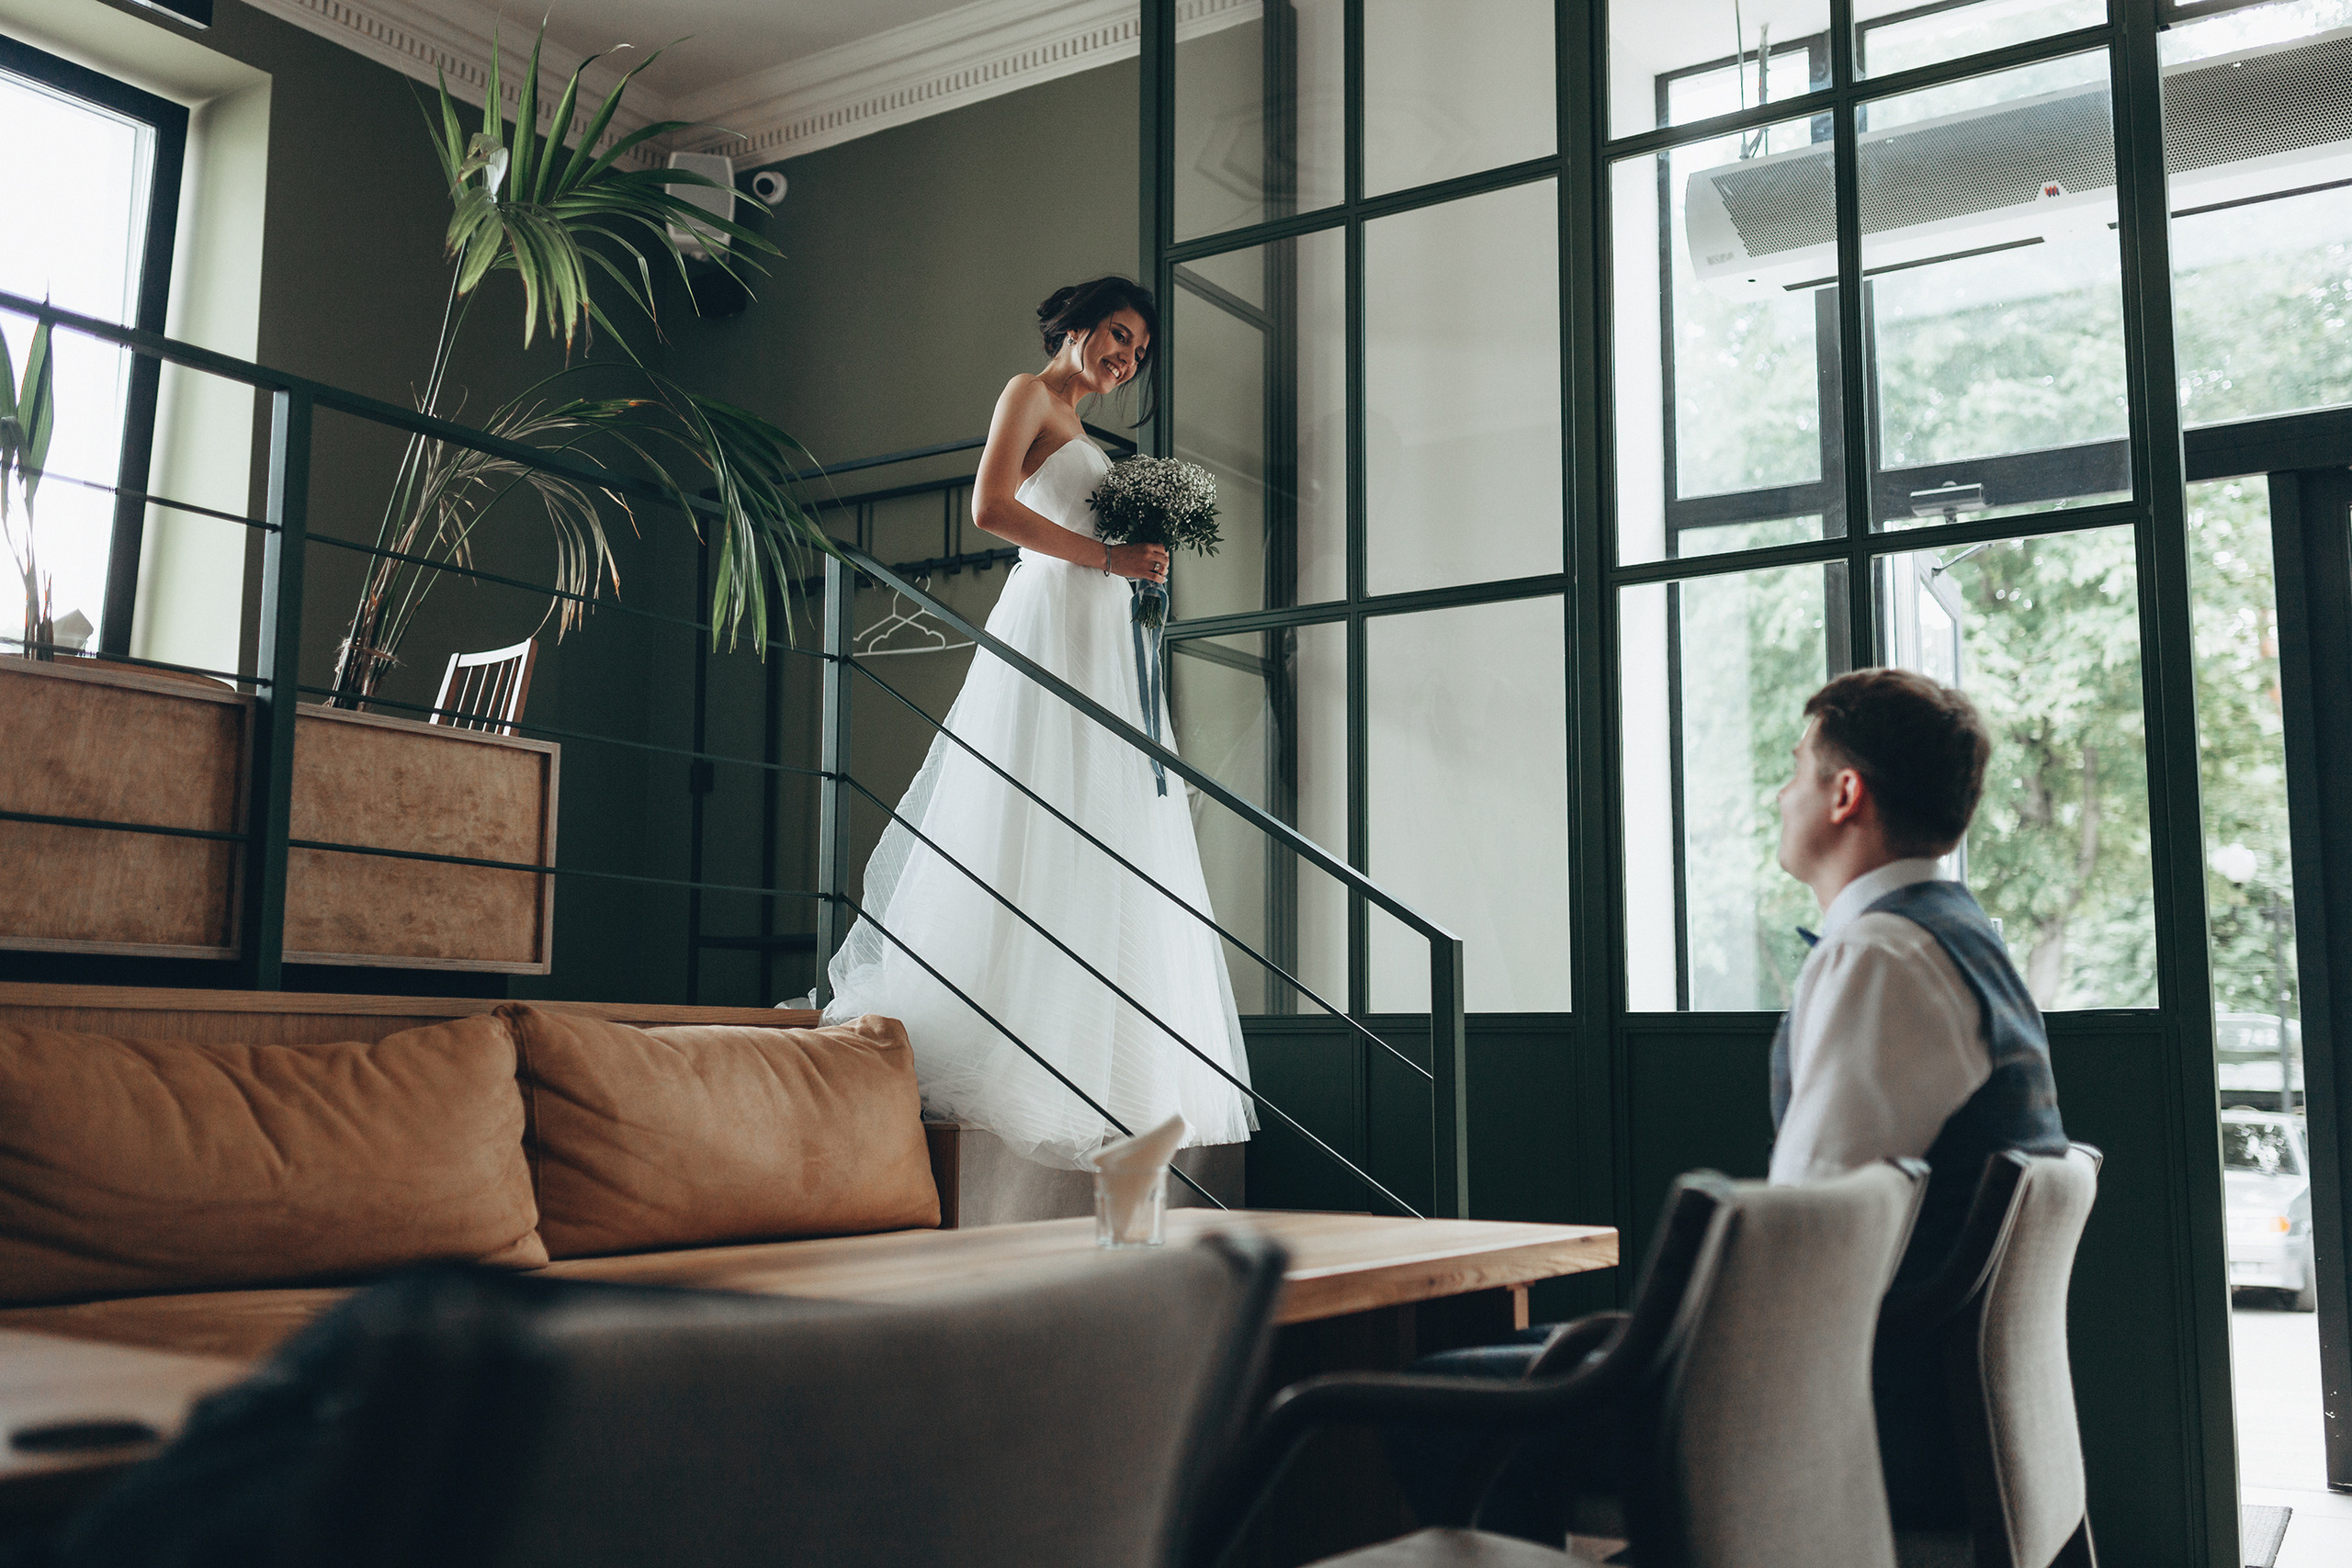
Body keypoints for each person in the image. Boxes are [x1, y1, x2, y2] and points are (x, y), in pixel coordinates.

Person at [817, 276, 1256, 1170]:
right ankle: (1006, 1033)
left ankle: (1096, 1053)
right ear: (1082, 325)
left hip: (1097, 632)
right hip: (1054, 620)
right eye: (1119, 337)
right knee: (1036, 807)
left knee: (1100, 823)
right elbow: (990, 509)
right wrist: (1107, 554)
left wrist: (1138, 565)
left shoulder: (1089, 433)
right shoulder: (1029, 394)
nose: (1126, 359)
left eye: (1138, 353)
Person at [1769, 666, 2069, 1526]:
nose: (1778, 794)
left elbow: (1803, 1242)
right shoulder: (1966, 938)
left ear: (1844, 793)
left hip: (1874, 1420)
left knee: (1456, 1405)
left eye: (1796, 769)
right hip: (1937, 1404)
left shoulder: (1882, 956)